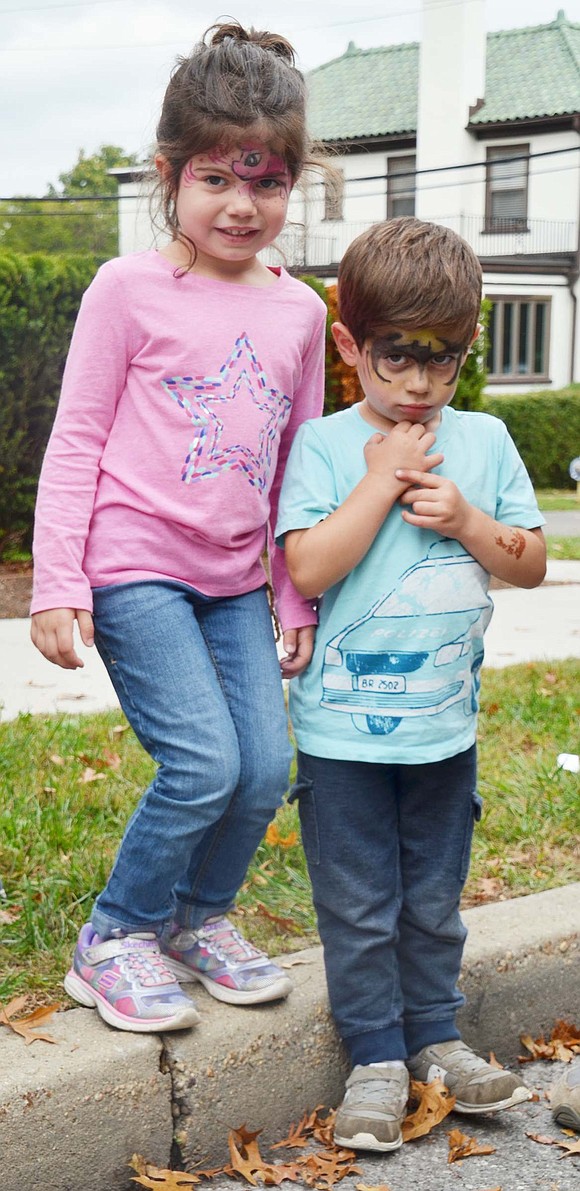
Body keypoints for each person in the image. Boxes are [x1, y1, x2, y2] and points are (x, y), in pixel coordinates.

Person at [30, 21, 327, 1034]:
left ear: (292, 184)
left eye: (268, 181)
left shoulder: (298, 313)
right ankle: (114, 936)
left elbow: (300, 467)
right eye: (216, 178)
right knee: (201, 762)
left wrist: (295, 593)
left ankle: (198, 920)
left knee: (262, 767)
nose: (242, 204)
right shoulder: (127, 289)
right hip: (135, 562)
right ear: (170, 175)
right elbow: (75, 441)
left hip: (240, 578)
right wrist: (59, 580)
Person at [276, 217, 547, 1151]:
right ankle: (375, 1056)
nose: (424, 385)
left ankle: (436, 1035)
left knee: (432, 898)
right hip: (343, 738)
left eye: (448, 360)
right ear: (351, 346)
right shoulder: (320, 446)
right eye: (400, 359)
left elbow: (531, 563)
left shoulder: (486, 441)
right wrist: (380, 482)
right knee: (358, 903)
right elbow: (308, 568)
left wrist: (469, 518)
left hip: (444, 731)